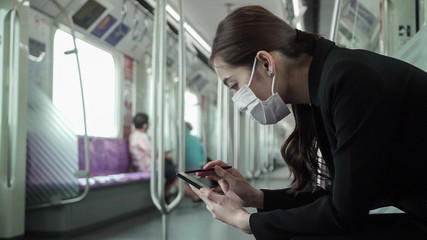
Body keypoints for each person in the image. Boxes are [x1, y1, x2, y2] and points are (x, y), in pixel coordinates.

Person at [189, 5, 427, 239]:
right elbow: (337, 198)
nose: (237, 99)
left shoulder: (348, 81)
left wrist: (247, 221)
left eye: (234, 86)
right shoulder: (328, 84)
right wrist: (256, 197)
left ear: (265, 63)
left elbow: (343, 215)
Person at [129, 113, 200, 202]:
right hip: (148, 167)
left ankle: (166, 195)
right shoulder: (140, 136)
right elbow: (152, 151)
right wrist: (164, 154)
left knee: (171, 172)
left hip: (148, 165)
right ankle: (194, 196)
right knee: (174, 174)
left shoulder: (134, 136)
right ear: (145, 125)